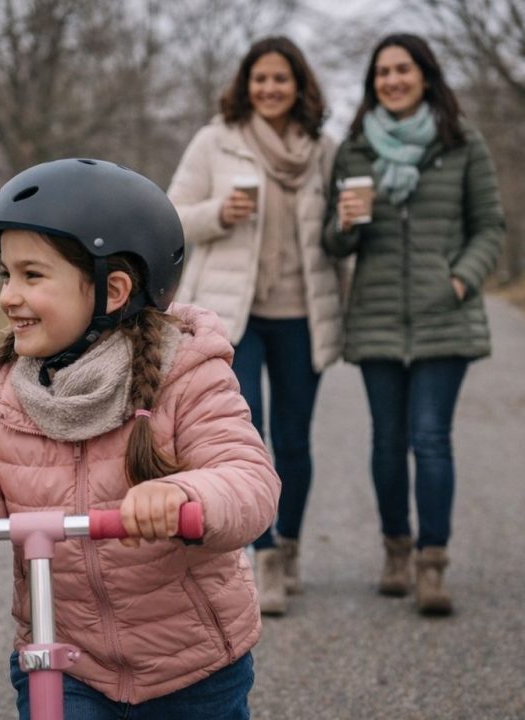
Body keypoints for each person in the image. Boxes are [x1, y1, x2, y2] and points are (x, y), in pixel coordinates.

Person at [0, 158, 279, 719]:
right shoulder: (8, 391)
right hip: (66, 661)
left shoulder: (185, 375)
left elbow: (247, 478)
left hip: (190, 664)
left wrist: (184, 496)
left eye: (31, 275)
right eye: (5, 275)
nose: (8, 296)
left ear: (113, 290)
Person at [323, 33, 504, 615]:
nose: (392, 80)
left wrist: (460, 280)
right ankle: (395, 551)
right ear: (372, 83)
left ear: (425, 75)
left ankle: (432, 564)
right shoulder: (355, 150)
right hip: (377, 315)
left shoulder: (461, 142)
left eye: (403, 69)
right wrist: (345, 224)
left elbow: (490, 226)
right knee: (386, 441)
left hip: (442, 315)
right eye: (382, 72)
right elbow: (334, 242)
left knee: (430, 439)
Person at [166, 36, 347, 616]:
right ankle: (262, 554)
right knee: (247, 438)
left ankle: (288, 546)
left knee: (294, 439)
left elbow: (339, 233)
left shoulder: (322, 149)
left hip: (301, 313)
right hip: (233, 318)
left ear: (299, 86)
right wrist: (219, 213)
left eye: (280, 79)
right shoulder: (215, 140)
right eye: (260, 78)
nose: (270, 88)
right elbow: (171, 214)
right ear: (246, 84)